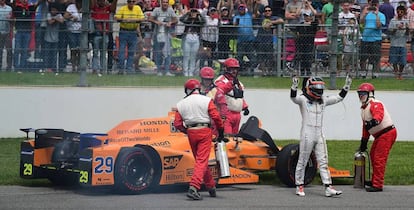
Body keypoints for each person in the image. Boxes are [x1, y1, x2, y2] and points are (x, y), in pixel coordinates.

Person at [290, 75, 352, 197]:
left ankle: (328, 187)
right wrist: (294, 86)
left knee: (323, 161)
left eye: (320, 87)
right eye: (316, 87)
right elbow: (293, 98)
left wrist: (347, 85)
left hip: (319, 134)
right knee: (303, 160)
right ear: (309, 87)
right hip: (307, 133)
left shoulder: (323, 100)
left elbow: (339, 97)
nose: (319, 89)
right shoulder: (303, 99)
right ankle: (299, 186)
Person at [174, 79, 224, 200]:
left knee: (201, 160)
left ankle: (211, 186)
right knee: (201, 161)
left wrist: (186, 131)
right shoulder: (206, 100)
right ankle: (194, 187)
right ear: (198, 89)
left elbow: (177, 124)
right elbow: (216, 117)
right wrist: (221, 131)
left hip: (191, 132)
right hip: (204, 131)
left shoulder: (181, 103)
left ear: (187, 90)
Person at [357, 82, 397, 192]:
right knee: (373, 155)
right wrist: (363, 143)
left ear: (370, 94)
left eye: (363, 93)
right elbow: (365, 128)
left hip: (386, 133)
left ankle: (378, 184)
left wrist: (374, 121)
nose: (361, 96)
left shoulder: (375, 103)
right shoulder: (364, 109)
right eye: (359, 94)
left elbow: (378, 115)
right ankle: (375, 180)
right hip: (381, 135)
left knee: (379, 158)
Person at [214, 58, 249, 135]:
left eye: (236, 69)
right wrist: (231, 84)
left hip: (237, 115)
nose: (234, 71)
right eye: (232, 69)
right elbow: (219, 92)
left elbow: (240, 96)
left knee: (235, 136)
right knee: (227, 136)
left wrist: (245, 107)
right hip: (226, 114)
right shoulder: (220, 80)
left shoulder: (238, 82)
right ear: (226, 69)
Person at [114, 0, 144, 74]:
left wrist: (132, 20)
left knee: (131, 51)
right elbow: (116, 17)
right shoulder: (123, 8)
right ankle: (121, 69)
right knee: (122, 50)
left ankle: (129, 69)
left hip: (133, 32)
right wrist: (124, 20)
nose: (131, 3)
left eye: (133, 1)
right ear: (127, 2)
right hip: (124, 31)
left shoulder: (137, 8)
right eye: (130, 1)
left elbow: (142, 18)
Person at [149, 0, 177, 76]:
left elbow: (176, 19)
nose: (165, 4)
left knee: (167, 53)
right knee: (158, 53)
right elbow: (150, 18)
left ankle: (167, 71)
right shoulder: (156, 10)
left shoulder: (170, 10)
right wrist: (156, 22)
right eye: (163, 2)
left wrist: (170, 22)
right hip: (157, 34)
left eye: (166, 2)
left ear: (168, 3)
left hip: (166, 34)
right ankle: (159, 71)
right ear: (161, 3)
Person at [359, 0, 386, 79]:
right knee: (363, 57)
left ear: (378, 5)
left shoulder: (381, 15)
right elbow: (361, 22)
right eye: (372, 4)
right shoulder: (367, 14)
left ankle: (375, 74)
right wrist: (364, 14)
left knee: (376, 57)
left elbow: (378, 26)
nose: (373, 6)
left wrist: (376, 14)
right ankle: (363, 73)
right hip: (365, 38)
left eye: (375, 4)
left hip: (376, 39)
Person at [90, 0, 118, 76]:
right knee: (95, 52)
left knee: (103, 52)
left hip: (105, 33)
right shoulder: (95, 8)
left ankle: (103, 69)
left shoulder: (107, 8)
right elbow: (91, 5)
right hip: (97, 34)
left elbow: (113, 8)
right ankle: (95, 69)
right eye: (100, 1)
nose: (102, 2)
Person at [255, 5, 283, 75]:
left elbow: (281, 20)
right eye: (266, 11)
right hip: (260, 40)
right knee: (261, 58)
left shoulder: (273, 18)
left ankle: (269, 71)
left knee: (270, 57)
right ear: (264, 12)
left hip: (269, 41)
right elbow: (255, 13)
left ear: (271, 12)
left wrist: (271, 23)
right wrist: (256, 4)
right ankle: (264, 72)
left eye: (269, 11)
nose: (267, 12)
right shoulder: (261, 17)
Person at [13, 0, 38, 72]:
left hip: (27, 31)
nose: (24, 1)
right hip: (19, 31)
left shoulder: (30, 8)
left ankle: (22, 67)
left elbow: (37, 5)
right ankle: (16, 67)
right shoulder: (17, 7)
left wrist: (27, 8)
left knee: (25, 50)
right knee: (17, 49)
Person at [180, 8, 205, 77]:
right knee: (186, 55)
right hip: (188, 37)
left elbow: (204, 22)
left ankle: (191, 71)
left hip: (195, 38)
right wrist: (187, 13)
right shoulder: (188, 20)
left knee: (193, 56)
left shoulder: (198, 20)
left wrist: (199, 14)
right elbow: (181, 19)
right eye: (192, 12)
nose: (193, 13)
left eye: (195, 12)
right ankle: (185, 71)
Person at [388, 5, 409, 80]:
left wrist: (407, 29)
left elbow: (407, 34)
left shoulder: (406, 21)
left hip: (403, 43)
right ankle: (396, 74)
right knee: (394, 61)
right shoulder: (393, 20)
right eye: (398, 11)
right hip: (394, 43)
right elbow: (390, 32)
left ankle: (400, 73)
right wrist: (396, 28)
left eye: (401, 12)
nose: (399, 13)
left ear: (404, 13)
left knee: (403, 61)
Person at [43, 2, 64, 74]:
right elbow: (50, 22)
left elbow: (61, 21)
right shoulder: (48, 14)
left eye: (55, 10)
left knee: (54, 54)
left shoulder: (59, 15)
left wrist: (55, 18)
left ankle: (53, 68)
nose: (53, 11)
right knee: (47, 54)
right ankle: (46, 68)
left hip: (55, 39)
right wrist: (55, 18)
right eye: (52, 10)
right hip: (47, 38)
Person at [64, 0, 83, 73]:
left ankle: (79, 67)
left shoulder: (84, 8)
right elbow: (65, 16)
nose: (79, 3)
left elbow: (88, 18)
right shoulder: (71, 7)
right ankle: (73, 67)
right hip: (72, 31)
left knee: (80, 50)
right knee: (73, 50)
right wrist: (71, 17)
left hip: (81, 32)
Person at [0, 0, 12, 71]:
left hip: (7, 32)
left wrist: (10, 18)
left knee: (9, 50)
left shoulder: (9, 8)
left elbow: (13, 19)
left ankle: (9, 66)